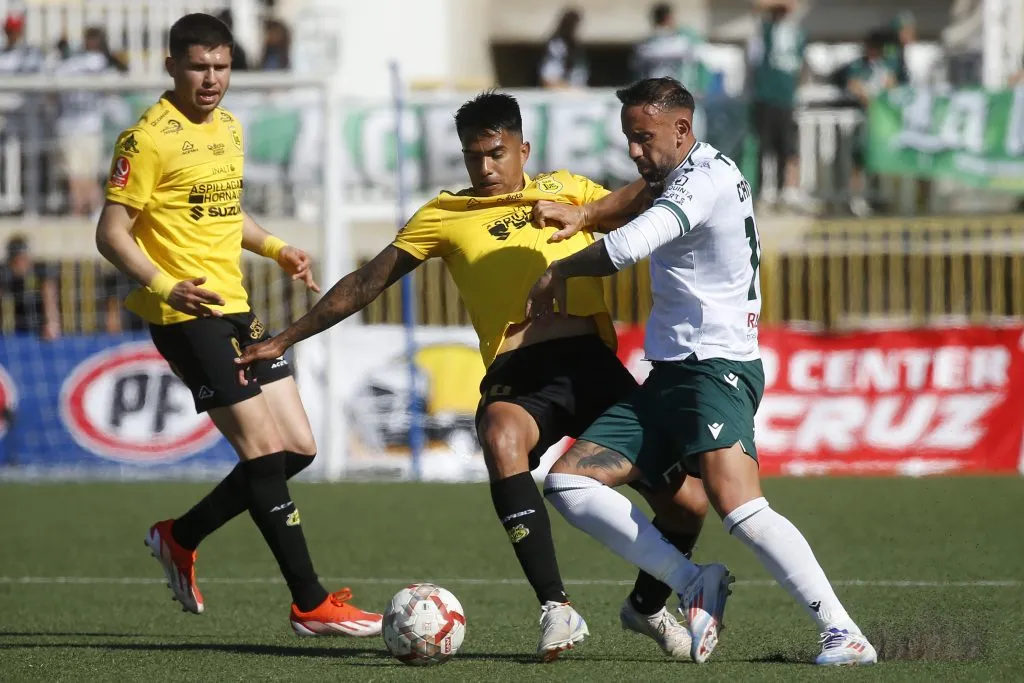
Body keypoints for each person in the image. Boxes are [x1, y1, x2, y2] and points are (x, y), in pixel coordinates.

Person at [236, 90, 711, 661]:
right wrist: (285, 339)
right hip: (519, 371)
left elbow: (644, 195)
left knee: (689, 505)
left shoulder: (569, 190)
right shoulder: (444, 215)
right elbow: (366, 282)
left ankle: (647, 606)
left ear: (522, 148)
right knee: (500, 435)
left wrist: (654, 177)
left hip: (592, 368)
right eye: (472, 157)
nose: (484, 168)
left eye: (495, 153)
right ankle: (555, 608)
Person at [525, 77, 877, 666]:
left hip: (715, 369)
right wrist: (587, 211)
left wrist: (558, 272)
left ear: (681, 129)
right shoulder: (687, 170)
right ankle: (693, 582)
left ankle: (843, 633)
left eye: (644, 138)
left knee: (738, 507)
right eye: (629, 138)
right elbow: (641, 195)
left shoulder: (703, 182)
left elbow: (633, 242)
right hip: (670, 375)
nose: (635, 151)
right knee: (568, 482)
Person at [94, 13, 382, 637]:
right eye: (199, 66)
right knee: (261, 452)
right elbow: (110, 232)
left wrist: (276, 247)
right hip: (184, 314)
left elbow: (223, 212)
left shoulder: (227, 126)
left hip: (236, 307)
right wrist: (167, 284)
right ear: (171, 65)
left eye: (221, 67)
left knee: (297, 449)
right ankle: (309, 602)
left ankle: (182, 535)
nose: (211, 80)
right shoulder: (146, 139)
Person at [746, 0, 813, 213]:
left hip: (786, 98)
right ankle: (764, 192)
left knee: (786, 147)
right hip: (765, 96)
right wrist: (775, 7)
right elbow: (756, 6)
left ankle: (784, 191)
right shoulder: (765, 29)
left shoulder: (798, 33)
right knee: (764, 147)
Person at [53, 27, 122, 217]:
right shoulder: (97, 63)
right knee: (81, 175)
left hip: (81, 125)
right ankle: (88, 212)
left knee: (82, 175)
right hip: (78, 125)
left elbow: (52, 94)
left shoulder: (69, 64)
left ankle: (84, 212)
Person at [846, 31, 897, 217]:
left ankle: (878, 198)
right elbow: (853, 85)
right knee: (859, 160)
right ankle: (857, 198)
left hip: (881, 123)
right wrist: (868, 95)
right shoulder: (860, 65)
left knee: (879, 161)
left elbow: (892, 86)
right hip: (864, 119)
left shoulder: (886, 66)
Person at [631, 3, 706, 94]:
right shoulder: (683, 41)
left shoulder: (646, 46)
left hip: (660, 93)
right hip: (674, 93)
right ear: (669, 17)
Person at [0, 235, 60, 339]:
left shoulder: (40, 271)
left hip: (38, 325)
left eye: (23, 259)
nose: (21, 264)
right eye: (17, 260)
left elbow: (50, 299)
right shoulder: (4, 273)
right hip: (15, 328)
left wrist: (52, 323)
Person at [538, 8, 587, 89]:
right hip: (556, 83)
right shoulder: (556, 43)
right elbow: (549, 76)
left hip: (570, 85)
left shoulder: (573, 44)